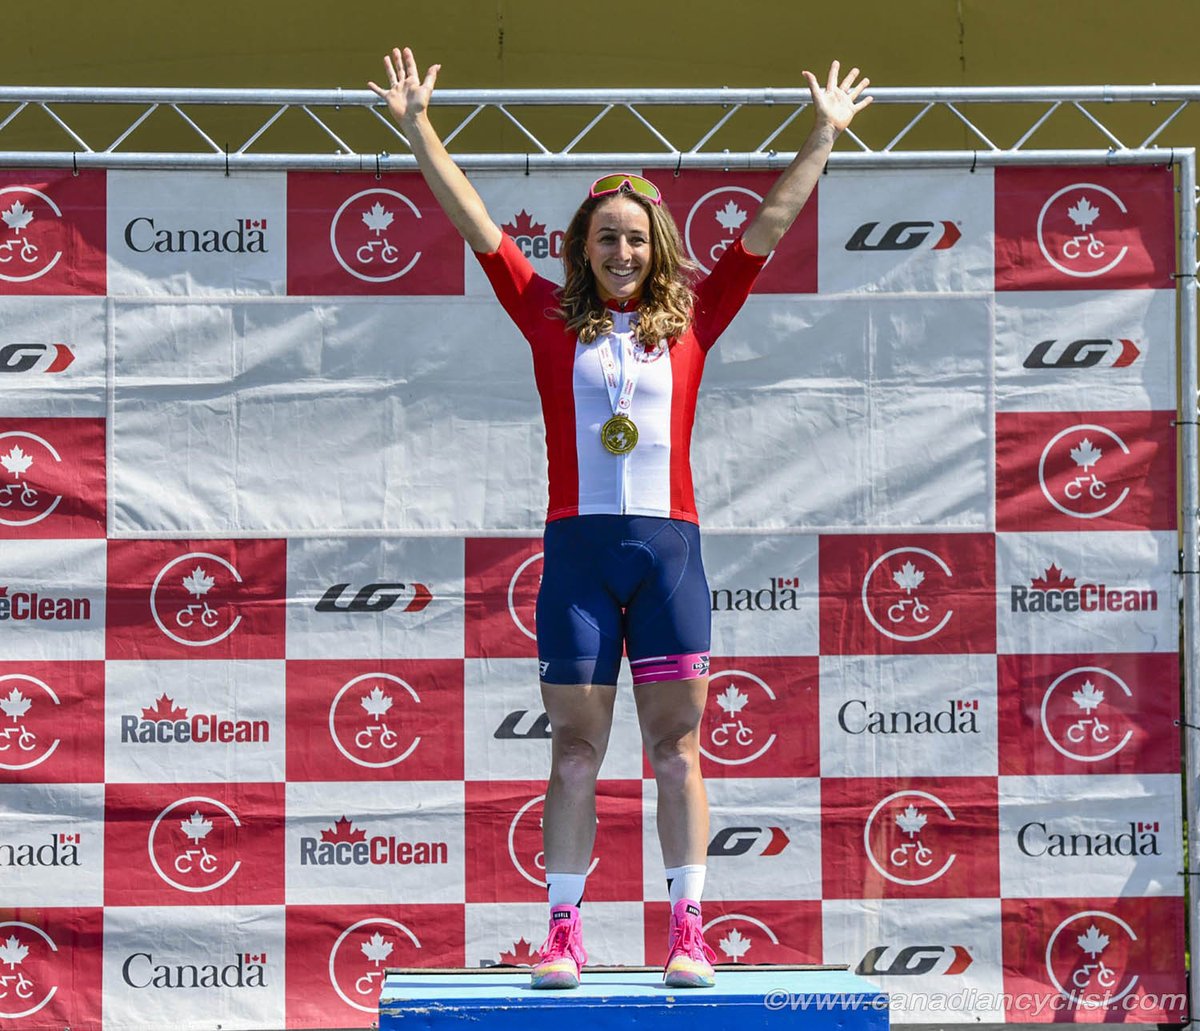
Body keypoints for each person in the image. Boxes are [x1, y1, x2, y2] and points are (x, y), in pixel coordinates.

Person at [369, 47, 871, 990]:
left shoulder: (696, 316)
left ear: (658, 247)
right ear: (582, 247)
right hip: (580, 558)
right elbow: (474, 220)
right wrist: (419, 126)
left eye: (637, 239)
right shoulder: (543, 315)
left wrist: (823, 134)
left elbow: (767, 226)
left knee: (677, 749)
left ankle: (689, 929)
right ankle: (563, 932)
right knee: (574, 751)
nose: (623, 252)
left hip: (670, 555)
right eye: (607, 238)